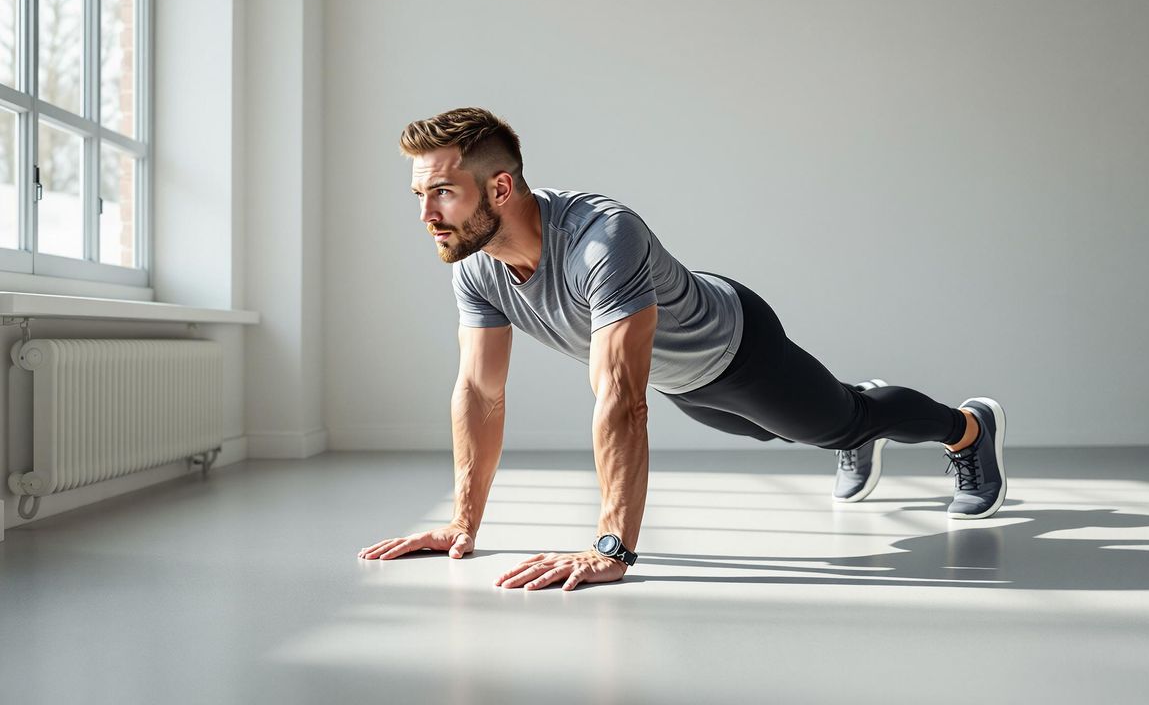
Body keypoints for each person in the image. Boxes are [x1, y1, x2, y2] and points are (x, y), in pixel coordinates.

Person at [358, 107, 1007, 591]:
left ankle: (968, 430)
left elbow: (620, 398)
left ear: (499, 188)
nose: (426, 215)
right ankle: (844, 427)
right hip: (685, 380)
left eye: (442, 192)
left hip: (737, 347)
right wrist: (462, 524)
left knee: (842, 421)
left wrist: (612, 547)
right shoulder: (475, 267)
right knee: (773, 434)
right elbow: (480, 391)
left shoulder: (602, 238)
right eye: (420, 194)